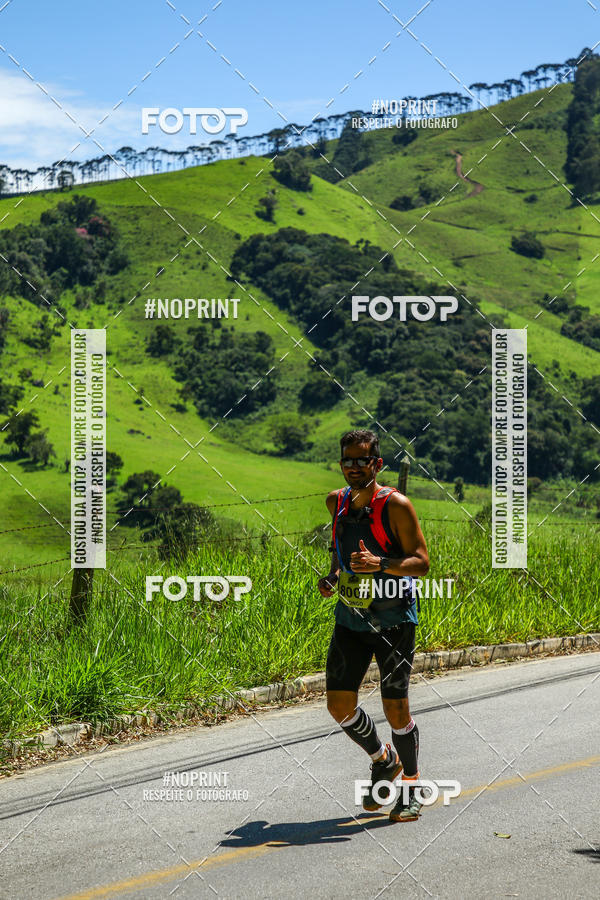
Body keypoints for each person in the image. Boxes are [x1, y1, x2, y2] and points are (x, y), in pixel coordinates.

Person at [318, 429, 429, 822]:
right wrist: (333, 576)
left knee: (396, 709)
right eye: (346, 460)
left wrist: (381, 564)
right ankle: (384, 759)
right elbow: (340, 553)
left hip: (394, 618)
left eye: (361, 460)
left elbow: (421, 562)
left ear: (377, 464)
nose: (352, 467)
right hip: (351, 617)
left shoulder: (396, 505)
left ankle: (412, 789)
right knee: (339, 705)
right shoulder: (337, 503)